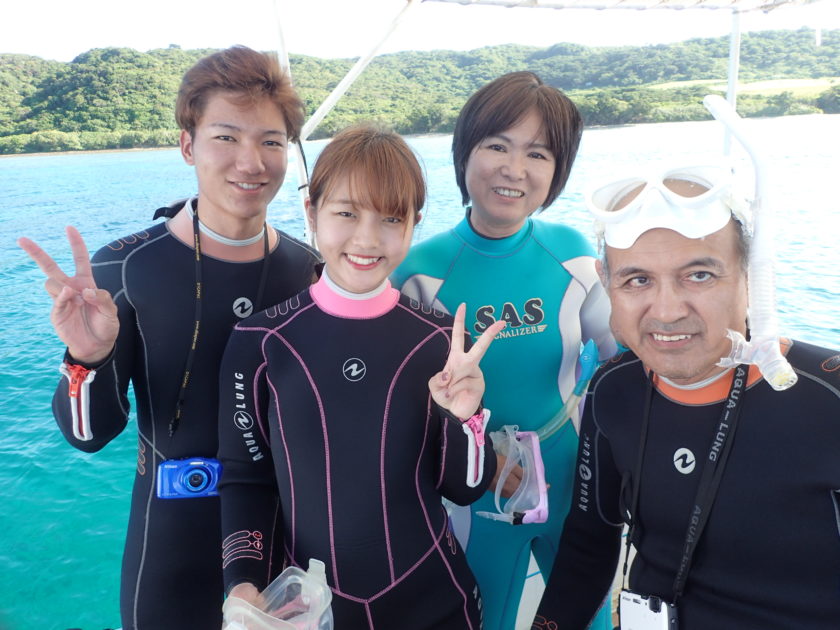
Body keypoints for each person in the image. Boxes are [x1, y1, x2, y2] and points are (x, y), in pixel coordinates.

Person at [17, 46, 320, 630]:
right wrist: (88, 355)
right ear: (188, 145)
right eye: (226, 137)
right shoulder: (124, 270)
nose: (250, 162)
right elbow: (89, 435)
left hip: (280, 545)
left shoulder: (308, 271)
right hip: (170, 549)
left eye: (272, 141)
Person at [217, 124, 505, 629]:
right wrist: (242, 583)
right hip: (313, 610)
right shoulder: (260, 341)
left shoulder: (441, 340)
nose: (367, 239)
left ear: (415, 223)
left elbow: (464, 490)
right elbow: (245, 479)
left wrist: (467, 420)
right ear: (312, 213)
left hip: (436, 600)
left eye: (392, 218)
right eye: (346, 213)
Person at [532, 165, 840, 629]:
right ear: (606, 281)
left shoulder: (827, 398)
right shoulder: (612, 390)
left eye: (699, 275)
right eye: (637, 280)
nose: (668, 310)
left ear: (750, 276)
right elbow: (588, 549)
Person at [391, 71, 617, 629]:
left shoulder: (571, 255)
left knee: (588, 619)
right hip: (476, 496)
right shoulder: (421, 273)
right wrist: (483, 461)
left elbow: (623, 362)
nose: (515, 169)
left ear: (556, 172)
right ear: (464, 153)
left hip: (575, 483)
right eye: (497, 146)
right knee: (482, 618)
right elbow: (402, 408)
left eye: (538, 154)